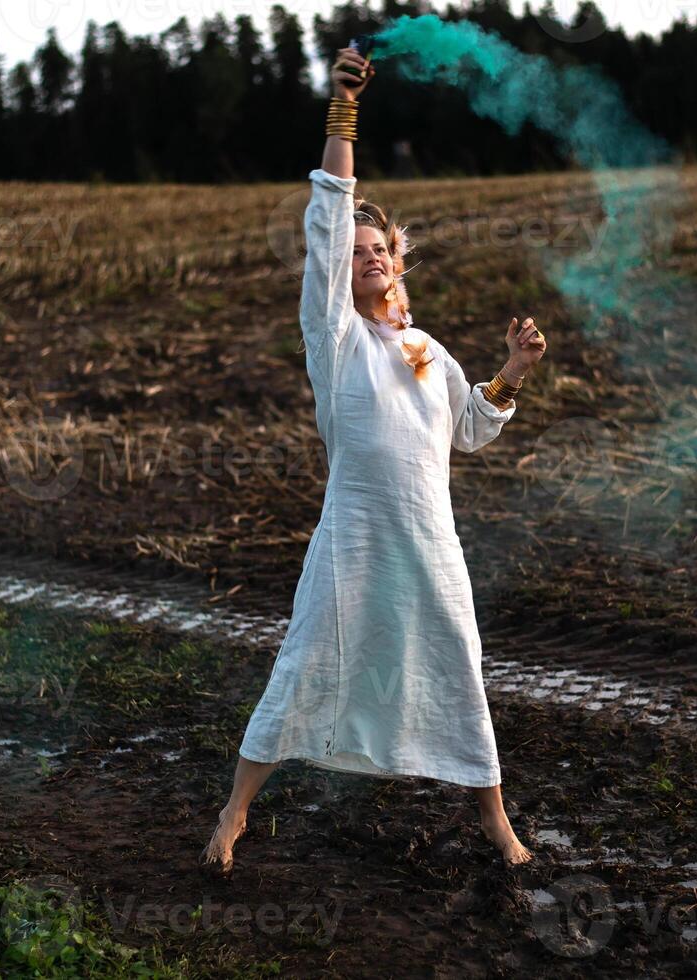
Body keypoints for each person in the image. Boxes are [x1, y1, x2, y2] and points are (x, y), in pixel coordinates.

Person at [200, 45, 548, 873]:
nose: (370, 259)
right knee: (307, 662)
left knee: (456, 669)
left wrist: (511, 373)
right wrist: (343, 112)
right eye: (356, 254)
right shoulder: (335, 339)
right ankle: (234, 813)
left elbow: (468, 427)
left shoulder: (426, 348)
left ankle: (496, 825)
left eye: (378, 250)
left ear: (397, 262)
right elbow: (328, 215)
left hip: (429, 544)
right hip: (352, 542)